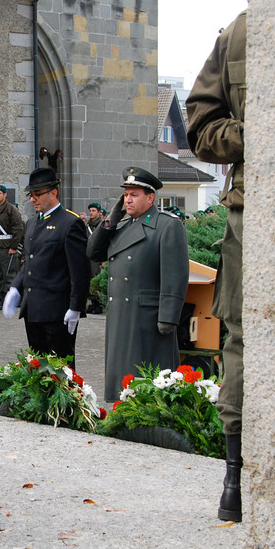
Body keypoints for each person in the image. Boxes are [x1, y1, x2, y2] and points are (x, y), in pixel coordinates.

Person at [186, 10, 247, 522]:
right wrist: (257, 131)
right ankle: (235, 478)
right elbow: (201, 127)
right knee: (242, 337)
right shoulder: (240, 34)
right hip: (253, 211)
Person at [88, 167, 189, 403]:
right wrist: (111, 220)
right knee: (122, 378)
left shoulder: (166, 225)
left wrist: (169, 316)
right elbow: (93, 252)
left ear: (150, 198)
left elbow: (175, 275)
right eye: (125, 195)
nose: (128, 200)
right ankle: (122, 408)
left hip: (148, 319)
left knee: (147, 381)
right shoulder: (122, 226)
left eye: (134, 194)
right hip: (121, 315)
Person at [3, 167, 90, 368]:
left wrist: (76, 307)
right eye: (31, 195)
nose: (33, 199)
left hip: (57, 311)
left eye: (38, 194)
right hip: (33, 308)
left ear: (53, 192)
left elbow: (80, 271)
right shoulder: (32, 222)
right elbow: (31, 261)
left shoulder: (70, 222)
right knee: (38, 370)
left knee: (61, 372)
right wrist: (16, 287)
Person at [0, 184, 25, 309]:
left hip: (6, 248)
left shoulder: (11, 210)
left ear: (5, 195)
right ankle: (2, 300)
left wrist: (13, 247)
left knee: (8, 275)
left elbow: (18, 229)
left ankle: (10, 301)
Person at [84, 202, 106, 314]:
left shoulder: (102, 225)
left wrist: (104, 260)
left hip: (98, 256)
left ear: (99, 212)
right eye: (90, 211)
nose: (91, 213)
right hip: (88, 256)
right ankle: (92, 303)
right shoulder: (87, 226)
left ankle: (98, 304)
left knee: (97, 279)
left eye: (93, 211)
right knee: (89, 278)